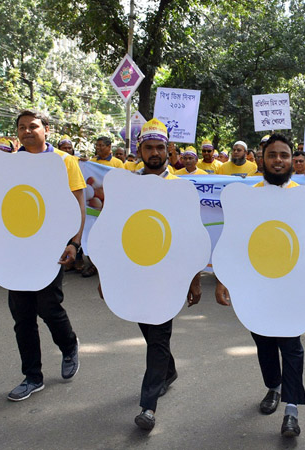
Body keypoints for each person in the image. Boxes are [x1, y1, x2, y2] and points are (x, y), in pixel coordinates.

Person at [215, 133, 305, 438]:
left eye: (284, 155)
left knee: (292, 347)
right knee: (264, 342)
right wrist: (223, 279)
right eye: (273, 155)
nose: (279, 160)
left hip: (295, 287)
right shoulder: (248, 196)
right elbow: (233, 242)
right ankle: (274, 387)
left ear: (293, 160)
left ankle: (291, 410)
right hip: (256, 286)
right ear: (261, 158)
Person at [0, 110, 85, 401]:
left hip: (51, 250)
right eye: (21, 127)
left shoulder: (65, 162)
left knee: (49, 307)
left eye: (33, 126)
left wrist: (74, 243)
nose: (27, 131)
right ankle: (32, 377)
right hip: (16, 251)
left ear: (46, 129)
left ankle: (69, 346)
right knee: (22, 316)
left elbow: (78, 203)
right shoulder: (10, 164)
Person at [114, 118, 202, 431]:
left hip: (170, 276)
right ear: (139, 149)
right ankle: (169, 371)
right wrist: (105, 276)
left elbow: (193, 235)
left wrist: (194, 279)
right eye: (149, 147)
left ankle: (148, 407)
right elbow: (112, 231)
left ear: (169, 150)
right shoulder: (126, 184)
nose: (154, 152)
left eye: (160, 147)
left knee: (159, 336)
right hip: (136, 273)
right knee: (150, 332)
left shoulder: (181, 186)